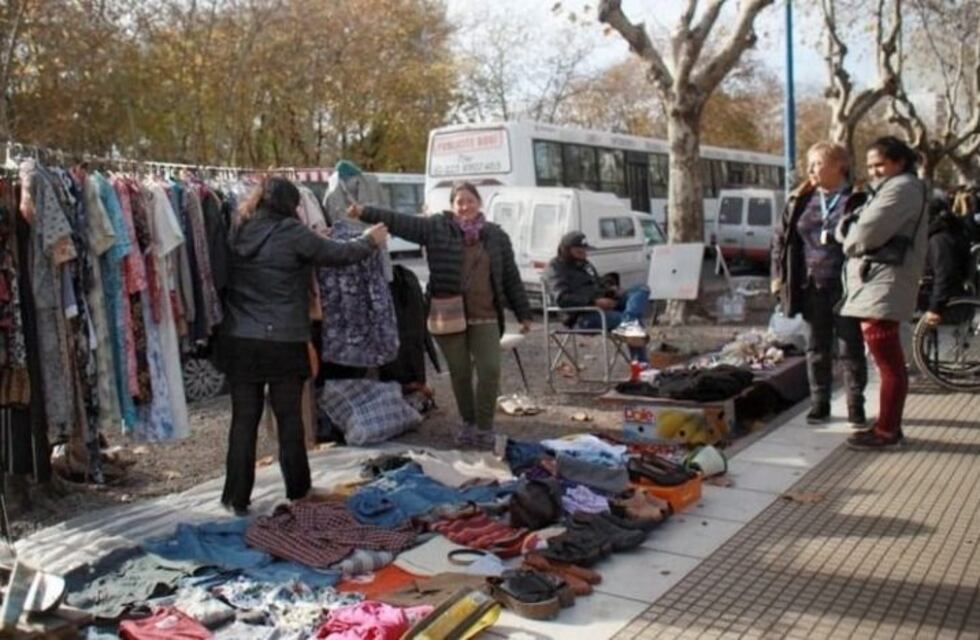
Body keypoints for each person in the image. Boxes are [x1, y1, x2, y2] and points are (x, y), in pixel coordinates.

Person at [219, 177, 388, 515]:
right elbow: (341, 254)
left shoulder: (238, 228)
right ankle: (298, 489)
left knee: (243, 421)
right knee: (289, 419)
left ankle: (235, 498)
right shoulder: (291, 232)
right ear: (289, 203)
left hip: (240, 338)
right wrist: (371, 239)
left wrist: (315, 241)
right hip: (282, 340)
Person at [348, 182, 532, 449]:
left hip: (486, 315)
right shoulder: (438, 228)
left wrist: (524, 313)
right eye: (460, 202)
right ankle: (468, 423)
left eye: (470, 200)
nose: (465, 206)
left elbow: (511, 278)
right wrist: (365, 211)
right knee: (459, 373)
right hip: (449, 315)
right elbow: (401, 222)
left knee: (490, 369)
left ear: (479, 203)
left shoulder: (496, 237)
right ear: (453, 206)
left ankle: (484, 427)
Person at [836, 136, 928, 450]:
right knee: (887, 362)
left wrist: (846, 237)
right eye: (871, 165)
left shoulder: (902, 188)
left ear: (899, 162)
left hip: (883, 283)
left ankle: (887, 432)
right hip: (879, 283)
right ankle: (887, 426)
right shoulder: (897, 187)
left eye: (880, 164)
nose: (874, 171)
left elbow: (864, 233)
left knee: (888, 364)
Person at [772, 142, 868, 425]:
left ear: (839, 166)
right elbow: (781, 240)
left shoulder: (857, 199)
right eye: (809, 164)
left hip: (845, 285)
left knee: (849, 346)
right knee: (816, 346)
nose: (811, 170)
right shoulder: (800, 199)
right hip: (811, 284)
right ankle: (819, 402)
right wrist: (779, 277)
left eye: (817, 164)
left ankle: (855, 404)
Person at [545, 231, 651, 362]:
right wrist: (594, 302)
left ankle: (629, 319)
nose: (584, 253)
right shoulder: (555, 267)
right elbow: (562, 299)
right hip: (582, 316)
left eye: (585, 249)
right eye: (579, 250)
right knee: (633, 325)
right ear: (567, 249)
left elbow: (597, 285)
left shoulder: (585, 264)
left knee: (641, 289)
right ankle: (641, 367)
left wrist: (611, 291)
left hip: (603, 307)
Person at [919, 197, 973, 325]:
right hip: (948, 299)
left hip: (942, 305)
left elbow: (945, 275)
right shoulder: (954, 232)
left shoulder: (940, 240)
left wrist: (935, 308)